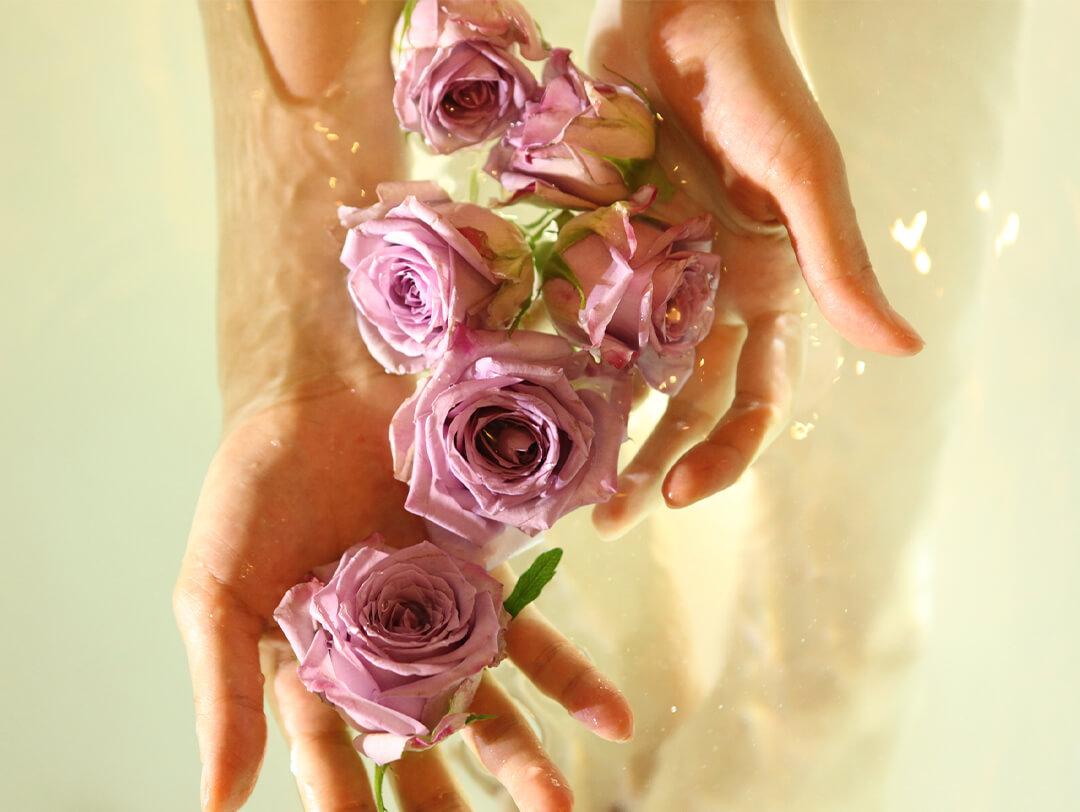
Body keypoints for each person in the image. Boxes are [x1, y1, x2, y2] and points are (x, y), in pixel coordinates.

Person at [175, 0, 1014, 809]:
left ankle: (797, 743)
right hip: (544, 84)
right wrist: (299, 341)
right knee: (554, 530)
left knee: (843, 566)